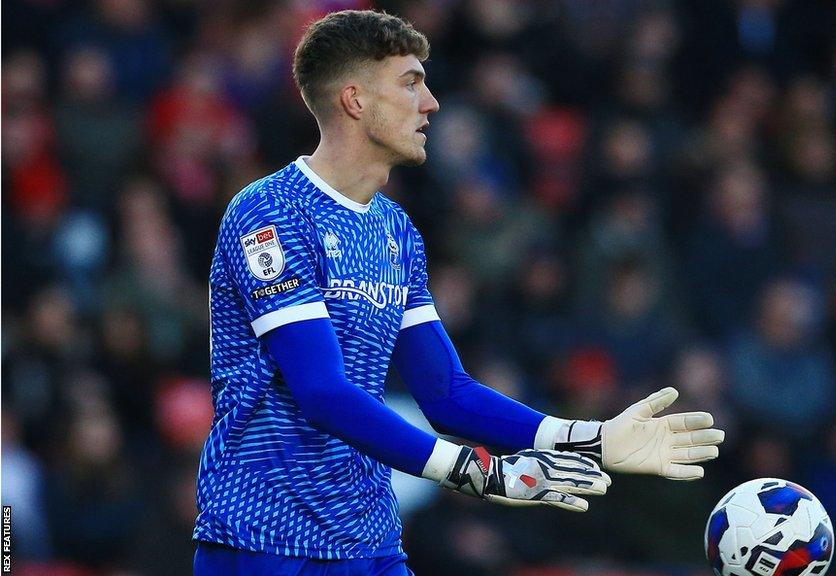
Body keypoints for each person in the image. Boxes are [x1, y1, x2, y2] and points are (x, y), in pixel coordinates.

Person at [192, 10, 725, 576]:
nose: (431, 103)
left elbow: (445, 391)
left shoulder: (395, 230)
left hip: (368, 543)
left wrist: (586, 438)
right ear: (354, 100)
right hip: (264, 542)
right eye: (410, 82)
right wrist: (477, 470)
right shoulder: (269, 213)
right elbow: (322, 392)